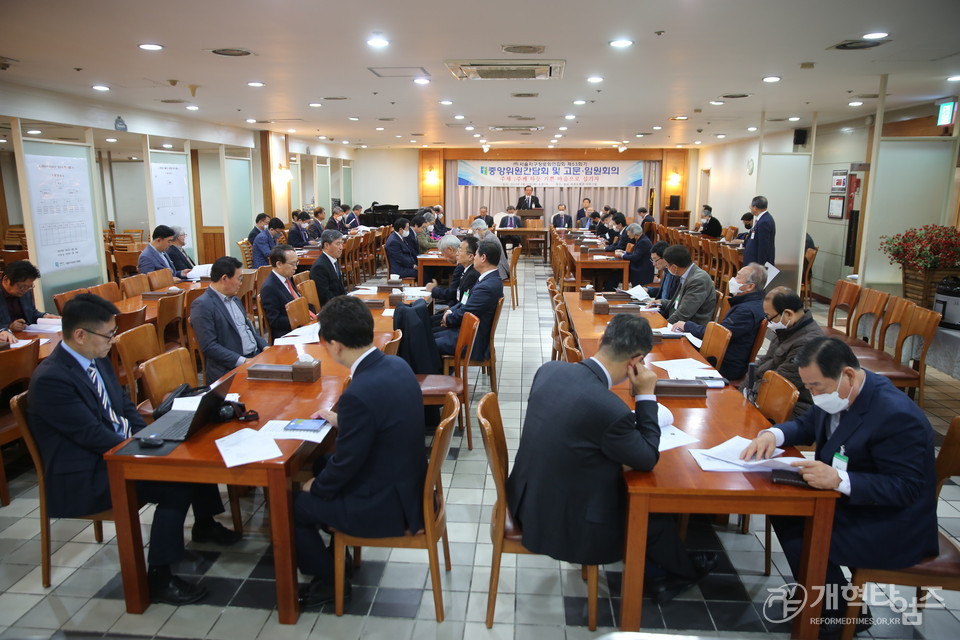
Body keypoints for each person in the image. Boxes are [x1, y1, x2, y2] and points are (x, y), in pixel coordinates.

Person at [28, 293, 240, 606]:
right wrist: (145, 449)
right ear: (80, 334)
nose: (112, 342)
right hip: (87, 472)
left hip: (116, 450)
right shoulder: (52, 379)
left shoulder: (94, 358)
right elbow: (91, 436)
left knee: (192, 447)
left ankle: (205, 525)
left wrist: (150, 435)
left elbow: (125, 407)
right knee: (175, 484)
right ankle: (159, 577)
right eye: (108, 335)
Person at [507, 314, 717, 604]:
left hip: (525, 496)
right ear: (636, 361)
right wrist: (645, 396)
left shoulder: (550, 370)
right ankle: (675, 573)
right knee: (646, 504)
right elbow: (646, 458)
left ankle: (663, 570)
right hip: (560, 521)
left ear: (605, 340)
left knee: (639, 497)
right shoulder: (608, 409)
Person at [740, 337, 938, 637]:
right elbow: (806, 425)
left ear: (847, 374)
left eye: (816, 386)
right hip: (853, 502)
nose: (812, 393)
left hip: (892, 521)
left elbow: (906, 487)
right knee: (784, 511)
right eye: (808, 386)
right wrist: (773, 434)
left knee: (804, 532)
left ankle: (836, 616)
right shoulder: (839, 393)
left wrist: (840, 480)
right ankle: (830, 598)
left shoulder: (896, 415)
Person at [295, 295, 426, 608]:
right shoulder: (395, 364)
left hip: (384, 502)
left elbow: (348, 464)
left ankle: (330, 580)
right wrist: (341, 420)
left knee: (295, 504)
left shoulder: (360, 392)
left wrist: (316, 488)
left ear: (335, 344)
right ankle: (334, 554)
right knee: (322, 462)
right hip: (407, 482)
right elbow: (380, 423)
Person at [673, 263, 767, 380]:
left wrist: (687, 325)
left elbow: (718, 335)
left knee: (676, 353)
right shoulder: (749, 303)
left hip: (726, 364)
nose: (733, 280)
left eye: (738, 277)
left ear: (749, 287)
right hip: (723, 355)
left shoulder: (746, 311)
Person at [190, 256, 267, 383]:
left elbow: (249, 329)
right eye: (239, 279)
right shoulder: (202, 305)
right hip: (231, 366)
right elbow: (209, 346)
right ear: (224, 278)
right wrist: (244, 361)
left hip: (255, 355)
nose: (241, 283)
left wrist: (264, 347)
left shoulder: (235, 299)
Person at [750, 286, 823, 416]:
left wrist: (751, 391)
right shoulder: (786, 330)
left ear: (788, 314)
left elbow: (779, 384)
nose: (768, 322)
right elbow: (763, 362)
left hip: (794, 407)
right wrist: (746, 387)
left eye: (770, 317)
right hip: (770, 396)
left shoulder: (807, 343)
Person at [434, 238, 504, 360]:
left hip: (472, 341)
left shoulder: (487, 286)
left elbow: (467, 312)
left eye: (476, 254)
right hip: (468, 332)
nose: (474, 258)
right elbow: (465, 302)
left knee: (426, 343)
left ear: (483, 258)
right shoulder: (487, 279)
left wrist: (448, 319)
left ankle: (430, 376)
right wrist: (450, 312)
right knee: (428, 335)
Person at [260, 244, 314, 340]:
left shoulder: (286, 278)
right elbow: (275, 320)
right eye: (292, 264)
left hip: (302, 326)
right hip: (288, 334)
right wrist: (301, 320)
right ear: (279, 264)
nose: (295, 268)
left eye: (296, 263)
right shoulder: (269, 287)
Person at [660, 245, 716, 324]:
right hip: (679, 322)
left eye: (666, 265)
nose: (666, 268)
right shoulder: (686, 274)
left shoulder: (698, 280)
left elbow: (684, 314)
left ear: (674, 267)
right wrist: (661, 302)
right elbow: (679, 303)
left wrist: (662, 326)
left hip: (690, 327)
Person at [0, 260, 60, 334]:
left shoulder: (26, 291)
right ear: (6, 280)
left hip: (25, 334)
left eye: (29, 286)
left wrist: (44, 316)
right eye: (21, 286)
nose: (25, 290)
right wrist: (9, 327)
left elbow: (31, 313)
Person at [427, 235, 479, 306]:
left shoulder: (466, 270)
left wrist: (434, 289)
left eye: (460, 250)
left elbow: (454, 293)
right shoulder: (465, 268)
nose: (457, 254)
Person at [308, 230, 347, 305]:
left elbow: (339, 288)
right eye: (338, 244)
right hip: (330, 307)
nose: (341, 247)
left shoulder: (333, 260)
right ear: (326, 245)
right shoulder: (320, 267)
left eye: (341, 243)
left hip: (338, 301)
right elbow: (324, 296)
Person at [616, 222, 654, 287]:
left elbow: (635, 257)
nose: (627, 234)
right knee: (617, 272)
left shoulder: (643, 241)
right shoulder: (641, 239)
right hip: (639, 264)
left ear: (634, 233)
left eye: (629, 232)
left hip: (642, 268)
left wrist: (622, 255)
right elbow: (636, 253)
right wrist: (624, 252)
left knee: (617, 273)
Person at [742, 196, 776, 266]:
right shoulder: (762, 219)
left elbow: (763, 246)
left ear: (755, 207)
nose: (750, 207)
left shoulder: (764, 221)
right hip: (752, 261)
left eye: (751, 206)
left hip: (757, 264)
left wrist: (760, 266)